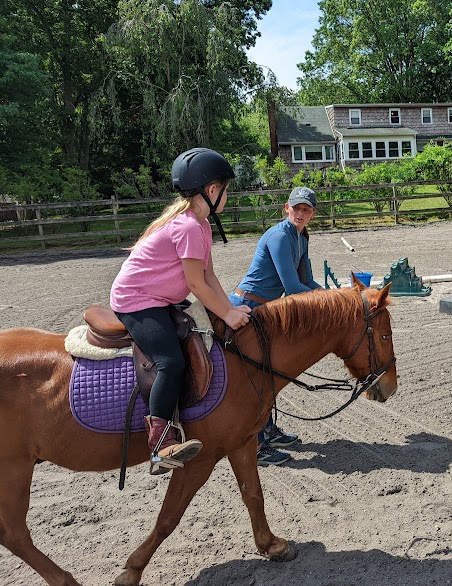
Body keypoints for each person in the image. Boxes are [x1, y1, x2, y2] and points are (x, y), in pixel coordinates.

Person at [111, 148, 251, 475]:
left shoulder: (200, 225)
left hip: (157, 297)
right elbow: (196, 285)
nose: (226, 195)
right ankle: (160, 444)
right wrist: (229, 317)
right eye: (225, 189)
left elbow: (209, 277)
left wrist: (228, 309)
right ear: (211, 191)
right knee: (169, 361)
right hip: (136, 300)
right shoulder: (188, 227)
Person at [230, 186, 322, 466]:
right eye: (297, 208)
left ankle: (267, 429)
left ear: (312, 215)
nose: (301, 213)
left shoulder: (302, 237)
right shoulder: (280, 236)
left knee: (268, 371)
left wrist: (338, 295)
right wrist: (331, 300)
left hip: (266, 309)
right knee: (253, 377)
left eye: (306, 210)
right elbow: (292, 287)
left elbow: (308, 281)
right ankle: (256, 444)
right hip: (247, 307)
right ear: (287, 207)